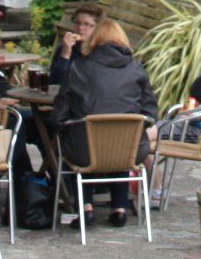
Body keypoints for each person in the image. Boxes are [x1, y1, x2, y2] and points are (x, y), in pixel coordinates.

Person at [54, 17, 158, 227]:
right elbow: (150, 109)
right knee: (119, 140)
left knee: (83, 141)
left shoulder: (78, 67)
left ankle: (86, 208)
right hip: (129, 150)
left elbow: (61, 111)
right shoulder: (136, 69)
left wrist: (60, 126)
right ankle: (119, 208)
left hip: (85, 150)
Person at [49, 4, 100, 91]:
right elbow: (55, 83)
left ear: (97, 28)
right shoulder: (64, 48)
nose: (80, 28)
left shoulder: (101, 51)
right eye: (77, 23)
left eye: (87, 24)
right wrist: (65, 54)